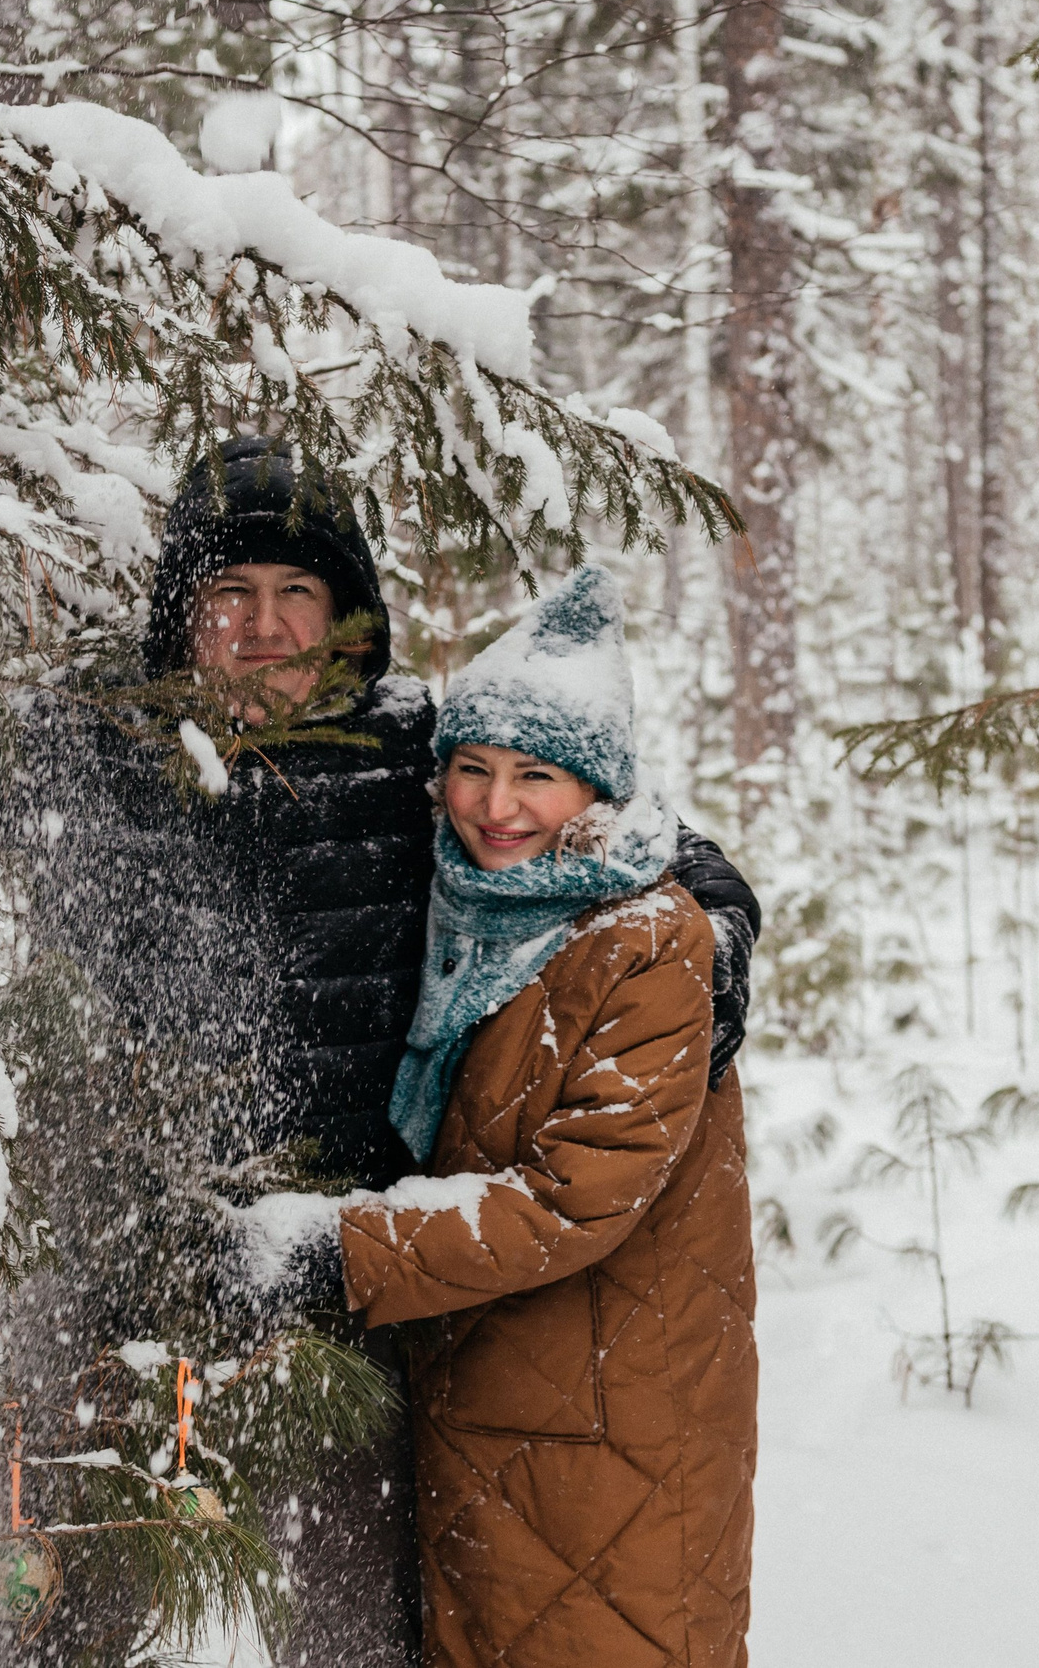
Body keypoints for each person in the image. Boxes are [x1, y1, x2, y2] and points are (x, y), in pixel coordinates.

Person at [14, 447, 757, 1667]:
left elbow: (604, 820)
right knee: (68, 1606)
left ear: (347, 622)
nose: (261, 628)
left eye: (295, 593)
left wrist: (719, 929)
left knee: (356, 1619)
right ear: (179, 618)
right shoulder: (95, 755)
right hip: (125, 1269)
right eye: (228, 593)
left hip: (346, 1273)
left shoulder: (413, 751)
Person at [250, 564, 758, 1668]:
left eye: (537, 776)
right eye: (471, 770)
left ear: (600, 795)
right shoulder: (466, 907)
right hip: (504, 1402)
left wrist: (336, 1252)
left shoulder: (647, 943)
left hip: (614, 1431)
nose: (495, 806)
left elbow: (573, 1200)